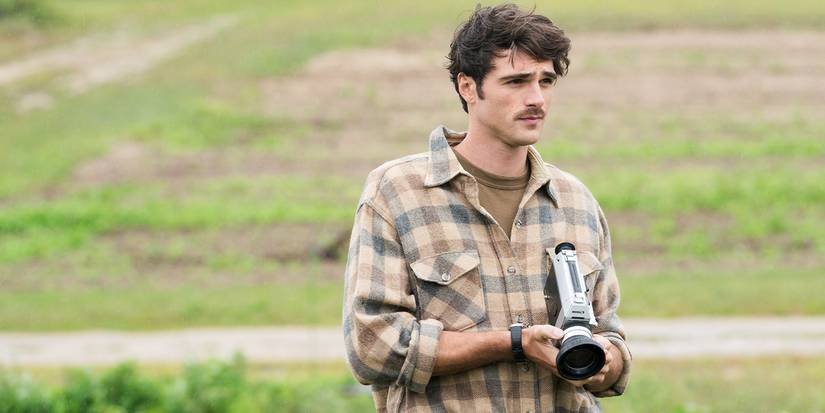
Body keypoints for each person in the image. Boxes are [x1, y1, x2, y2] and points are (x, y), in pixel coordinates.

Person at [342, 4, 631, 412]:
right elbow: (372, 348)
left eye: (546, 80)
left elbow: (611, 340)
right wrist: (514, 343)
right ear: (467, 86)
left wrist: (605, 363)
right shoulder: (397, 193)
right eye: (516, 81)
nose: (536, 98)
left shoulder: (576, 201)